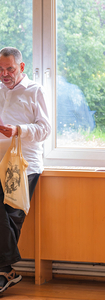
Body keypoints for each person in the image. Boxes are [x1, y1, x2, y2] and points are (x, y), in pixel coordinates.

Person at [0, 47, 51, 293]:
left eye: (9, 68)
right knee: (5, 219)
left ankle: (4, 273)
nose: (5, 74)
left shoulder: (35, 90)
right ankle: (6, 271)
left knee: (12, 217)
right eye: (0, 69)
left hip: (24, 164)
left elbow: (45, 129)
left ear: (21, 67)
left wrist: (18, 130)